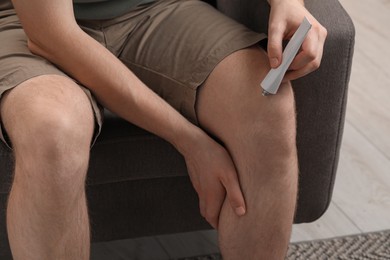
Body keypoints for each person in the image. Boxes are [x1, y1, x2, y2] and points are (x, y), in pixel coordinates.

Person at [0, 0, 327, 259]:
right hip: (25, 22)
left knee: (266, 107)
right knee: (52, 131)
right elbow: (51, 35)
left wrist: (288, 2)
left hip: (155, 9)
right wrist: (192, 142)